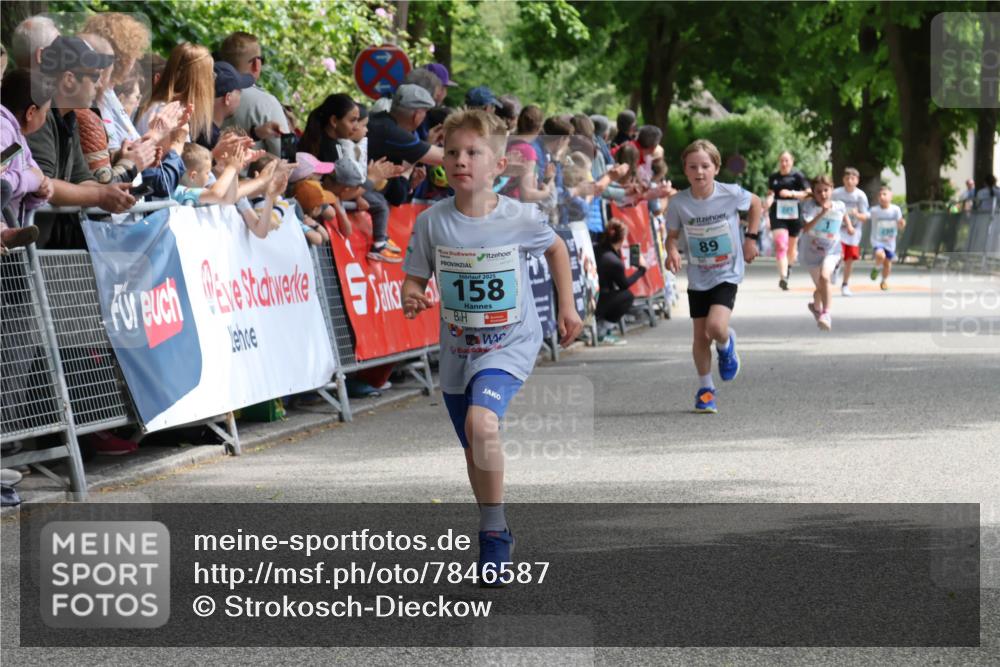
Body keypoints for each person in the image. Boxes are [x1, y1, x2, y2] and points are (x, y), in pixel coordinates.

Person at [401, 110, 582, 583]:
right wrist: (412, 296)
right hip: (459, 351)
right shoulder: (431, 222)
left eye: (473, 153)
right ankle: (492, 519)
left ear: (498, 165)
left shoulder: (519, 218)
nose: (461, 160)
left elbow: (557, 248)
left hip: (510, 343)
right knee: (474, 444)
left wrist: (569, 306)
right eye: (454, 152)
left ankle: (494, 535)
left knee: (482, 425)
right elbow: (414, 277)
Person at [665, 139, 762, 414]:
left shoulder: (730, 193)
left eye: (705, 166)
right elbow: (671, 237)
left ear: (716, 168)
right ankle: (706, 389)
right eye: (693, 167)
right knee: (699, 336)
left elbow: (756, 204)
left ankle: (726, 343)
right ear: (685, 170)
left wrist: (751, 239)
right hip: (698, 275)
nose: (699, 172)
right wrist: (671, 251)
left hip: (726, 271)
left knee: (716, 328)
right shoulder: (678, 203)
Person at [367, 84, 444, 206]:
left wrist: (425, 146)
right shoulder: (393, 133)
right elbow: (444, 157)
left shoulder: (379, 122)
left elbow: (397, 196)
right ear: (417, 115)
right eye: (425, 113)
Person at [217, 32, 287, 155]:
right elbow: (283, 154)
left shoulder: (205, 94)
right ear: (256, 64)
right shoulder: (267, 103)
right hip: (250, 173)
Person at [0, 68, 55, 227]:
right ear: (31, 112)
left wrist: (41, 191)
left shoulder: (19, 140)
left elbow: (35, 175)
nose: (45, 118)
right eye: (45, 112)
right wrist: (31, 180)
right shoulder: (4, 130)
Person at [800, 175, 853, 331]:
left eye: (826, 190)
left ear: (831, 189)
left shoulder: (839, 205)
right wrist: (822, 213)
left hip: (832, 250)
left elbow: (844, 213)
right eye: (818, 191)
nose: (823, 194)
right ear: (813, 193)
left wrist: (849, 226)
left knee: (825, 278)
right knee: (821, 287)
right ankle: (815, 306)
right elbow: (806, 228)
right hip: (812, 252)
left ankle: (826, 313)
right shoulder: (809, 206)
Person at [595, 218, 647, 345]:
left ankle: (600, 327)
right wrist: (641, 270)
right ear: (622, 239)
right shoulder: (613, 261)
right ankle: (603, 331)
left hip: (592, 297)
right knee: (627, 296)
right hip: (599, 301)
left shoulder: (597, 248)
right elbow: (624, 285)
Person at [765, 151, 811, 290]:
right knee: (781, 245)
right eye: (782, 161)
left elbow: (809, 193)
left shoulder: (798, 176)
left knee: (792, 249)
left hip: (794, 215)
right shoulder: (773, 177)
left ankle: (789, 267)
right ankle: (783, 277)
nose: (784, 163)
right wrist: (768, 201)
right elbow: (771, 193)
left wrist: (791, 193)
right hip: (777, 214)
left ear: (792, 161)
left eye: (787, 160)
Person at [196, 61, 255, 150]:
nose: (240, 97)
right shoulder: (215, 144)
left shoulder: (193, 126)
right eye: (239, 92)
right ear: (228, 98)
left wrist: (256, 133)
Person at [831, 167, 869, 296]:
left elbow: (865, 216)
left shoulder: (860, 196)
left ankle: (845, 284)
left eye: (852, 178)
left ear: (857, 180)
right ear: (843, 179)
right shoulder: (836, 193)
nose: (849, 181)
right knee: (839, 254)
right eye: (847, 178)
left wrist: (857, 214)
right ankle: (835, 268)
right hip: (838, 229)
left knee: (849, 259)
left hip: (854, 231)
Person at [868, 185, 906, 290]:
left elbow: (900, 224)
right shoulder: (874, 210)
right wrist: (858, 215)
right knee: (880, 256)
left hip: (890, 241)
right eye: (879, 195)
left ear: (891, 196)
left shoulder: (895, 210)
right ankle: (876, 268)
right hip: (877, 240)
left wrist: (902, 223)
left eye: (884, 194)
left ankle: (884, 281)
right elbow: (866, 216)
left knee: (887, 265)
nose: (882, 197)